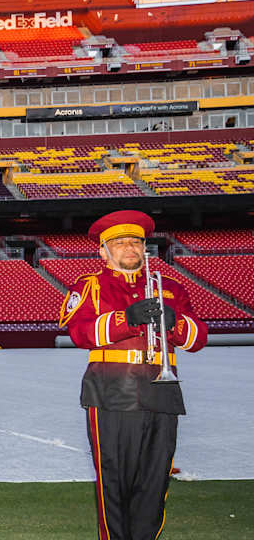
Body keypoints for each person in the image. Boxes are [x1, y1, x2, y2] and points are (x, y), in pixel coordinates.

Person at [59, 211, 208, 540]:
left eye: (136, 242)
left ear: (145, 248)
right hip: (112, 390)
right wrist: (126, 319)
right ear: (104, 251)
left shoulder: (170, 288)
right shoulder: (91, 285)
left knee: (155, 481)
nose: (130, 248)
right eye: (120, 243)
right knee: (114, 480)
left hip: (162, 391)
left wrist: (177, 324)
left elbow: (199, 339)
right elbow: (80, 332)